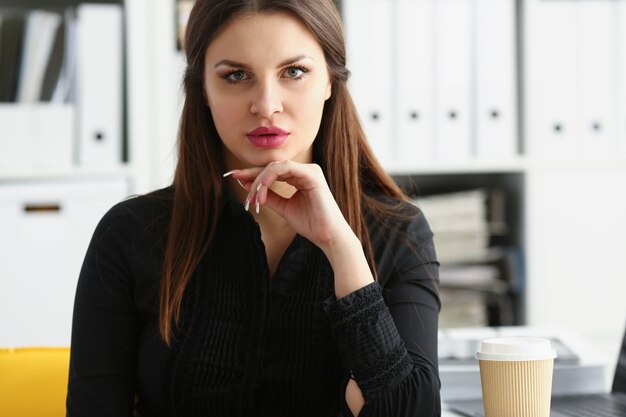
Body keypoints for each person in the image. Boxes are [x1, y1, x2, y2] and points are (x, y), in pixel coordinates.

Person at [66, 0, 441, 416]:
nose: (266, 104)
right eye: (236, 75)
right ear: (202, 90)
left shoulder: (398, 233)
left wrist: (341, 248)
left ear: (331, 81)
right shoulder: (130, 234)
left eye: (294, 72)